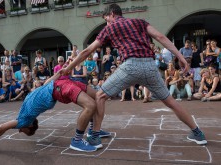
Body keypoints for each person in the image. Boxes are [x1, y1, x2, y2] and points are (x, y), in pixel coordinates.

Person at [62, 4, 207, 147]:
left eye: (106, 19)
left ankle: (94, 135)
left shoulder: (110, 27)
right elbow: (160, 37)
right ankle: (197, 132)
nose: (106, 23)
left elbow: (87, 51)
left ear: (112, 14)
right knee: (171, 102)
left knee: (100, 96)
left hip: (130, 66)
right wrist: (180, 57)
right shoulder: (140, 22)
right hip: (150, 66)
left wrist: (69, 67)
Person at [0, 71, 99, 152]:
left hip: (56, 87)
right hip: (55, 85)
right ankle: (93, 130)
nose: (19, 130)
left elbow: (1, 128)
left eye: (24, 131)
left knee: (91, 104)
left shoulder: (24, 120)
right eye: (23, 131)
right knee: (93, 102)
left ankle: (86, 135)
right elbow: (46, 84)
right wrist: (59, 73)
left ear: (29, 125)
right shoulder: (27, 110)